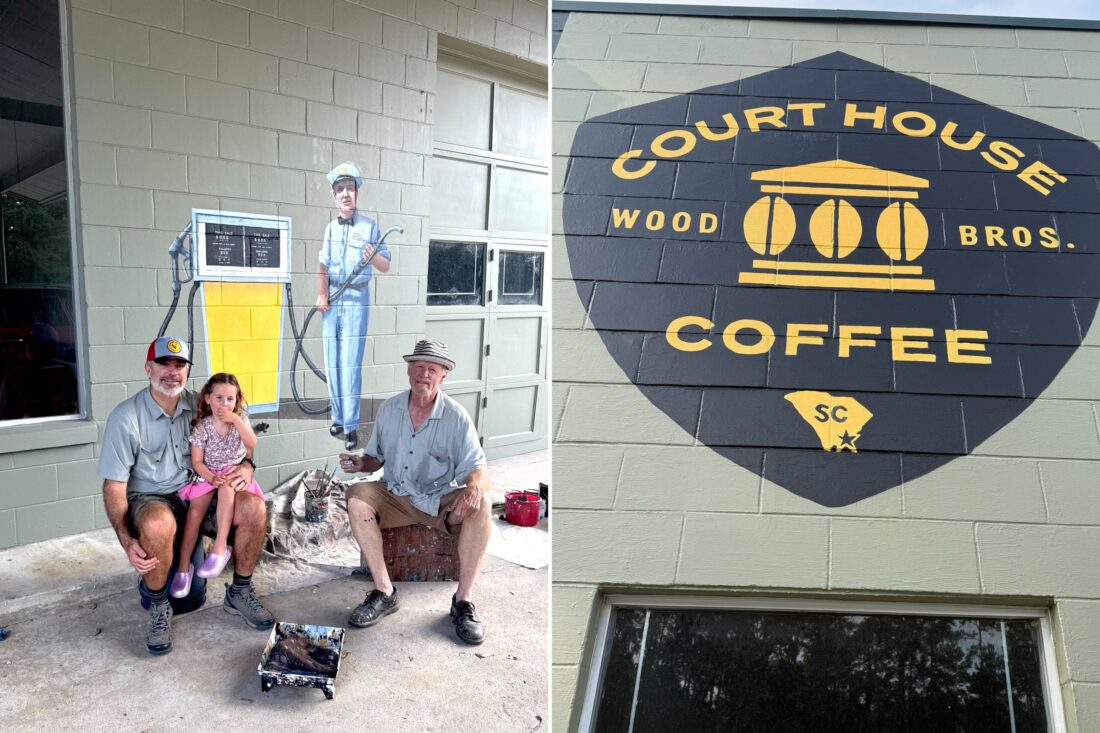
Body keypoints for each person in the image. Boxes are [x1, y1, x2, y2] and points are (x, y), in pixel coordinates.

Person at [98, 337, 274, 656]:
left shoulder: (204, 405)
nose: (172, 372)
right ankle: (158, 605)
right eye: (165, 363)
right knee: (157, 525)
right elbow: (113, 486)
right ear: (148, 368)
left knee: (254, 509)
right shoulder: (125, 417)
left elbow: (241, 444)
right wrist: (127, 539)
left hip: (199, 491)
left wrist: (247, 466)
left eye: (180, 365)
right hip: (153, 498)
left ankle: (240, 592)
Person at [339, 340, 491, 645]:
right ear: (409, 371)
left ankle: (462, 601)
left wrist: (474, 486)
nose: (424, 374)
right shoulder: (389, 409)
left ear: (443, 376)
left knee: (483, 504)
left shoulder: (456, 416)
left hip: (437, 498)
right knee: (356, 496)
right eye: (418, 367)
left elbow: (477, 467)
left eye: (432, 369)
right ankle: (384, 591)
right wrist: (360, 463)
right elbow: (376, 458)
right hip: (396, 493)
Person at [316, 161, 392, 451]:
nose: (345, 194)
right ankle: (337, 417)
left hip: (356, 299)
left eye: (350, 188)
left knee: (350, 364)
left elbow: (385, 264)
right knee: (332, 361)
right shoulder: (329, 229)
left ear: (357, 193)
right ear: (334, 196)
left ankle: (351, 426)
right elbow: (322, 265)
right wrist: (321, 294)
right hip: (333, 299)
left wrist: (373, 256)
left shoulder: (369, 226)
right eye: (340, 190)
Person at [171, 373, 263, 599]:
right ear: (207, 399)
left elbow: (252, 444)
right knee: (194, 512)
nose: (225, 404)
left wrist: (237, 421)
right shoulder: (203, 427)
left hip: (233, 473)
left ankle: (220, 548)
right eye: (219, 398)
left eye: (230, 399)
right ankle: (184, 568)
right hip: (208, 475)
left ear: (237, 401)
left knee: (226, 489)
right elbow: (197, 462)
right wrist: (210, 477)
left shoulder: (240, 419)